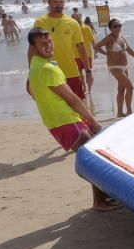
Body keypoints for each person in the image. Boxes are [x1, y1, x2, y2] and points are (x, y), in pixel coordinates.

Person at [26, 27, 119, 212]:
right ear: (34, 48)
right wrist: (93, 121)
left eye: (49, 41)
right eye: (43, 44)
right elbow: (73, 99)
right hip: (65, 121)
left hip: (57, 121)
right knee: (93, 157)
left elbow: (30, 90)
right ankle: (99, 202)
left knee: (91, 156)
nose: (48, 46)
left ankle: (103, 197)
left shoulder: (34, 67)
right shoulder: (48, 69)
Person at [30, 0, 89, 100]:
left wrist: (88, 71)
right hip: (49, 73)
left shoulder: (72, 23)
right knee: (58, 112)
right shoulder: (40, 22)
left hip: (71, 72)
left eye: (61, 2)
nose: (59, 5)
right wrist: (32, 74)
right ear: (49, 2)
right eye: (55, 2)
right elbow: (33, 48)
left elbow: (81, 47)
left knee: (79, 107)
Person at [94, 19, 134, 117]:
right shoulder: (109, 38)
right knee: (130, 87)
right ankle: (129, 111)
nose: (118, 28)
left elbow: (129, 49)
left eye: (119, 25)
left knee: (121, 90)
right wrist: (106, 53)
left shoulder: (121, 37)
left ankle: (120, 112)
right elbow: (96, 47)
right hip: (115, 67)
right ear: (110, 28)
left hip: (124, 66)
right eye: (115, 26)